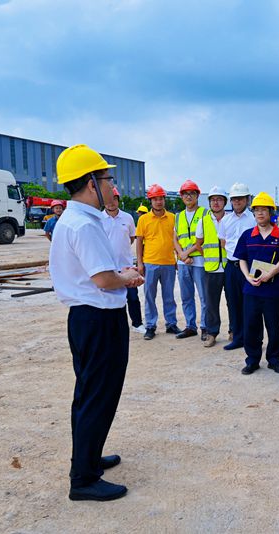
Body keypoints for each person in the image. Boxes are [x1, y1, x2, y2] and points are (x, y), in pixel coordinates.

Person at [49, 144, 144, 501]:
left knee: (89, 393)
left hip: (87, 318)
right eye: (107, 178)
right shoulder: (83, 225)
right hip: (99, 318)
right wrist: (129, 277)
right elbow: (104, 279)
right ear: (91, 183)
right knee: (97, 396)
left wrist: (118, 274)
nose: (111, 185)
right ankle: (84, 478)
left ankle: (88, 456)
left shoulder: (75, 220)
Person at [234, 192, 279, 375]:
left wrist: (270, 274)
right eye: (256, 210)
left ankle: (274, 360)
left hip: (272, 290)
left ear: (270, 212)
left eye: (263, 210)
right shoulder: (247, 235)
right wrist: (247, 277)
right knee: (251, 326)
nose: (260, 213)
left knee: (273, 327)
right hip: (252, 289)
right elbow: (241, 259)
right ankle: (252, 360)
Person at [135, 184, 179, 340]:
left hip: (168, 262)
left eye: (161, 198)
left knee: (169, 296)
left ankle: (171, 324)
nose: (158, 202)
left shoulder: (173, 218)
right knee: (149, 296)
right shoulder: (143, 219)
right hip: (150, 263)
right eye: (155, 199)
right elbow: (139, 242)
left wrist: (177, 259)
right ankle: (150, 326)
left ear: (164, 200)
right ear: (150, 201)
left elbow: (177, 241)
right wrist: (140, 263)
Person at [104, 186, 146, 335]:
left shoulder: (127, 218)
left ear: (118, 200)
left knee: (132, 297)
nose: (111, 203)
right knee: (111, 298)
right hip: (108, 266)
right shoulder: (99, 218)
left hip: (126, 265)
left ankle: (137, 323)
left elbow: (131, 238)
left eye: (114, 199)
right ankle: (113, 326)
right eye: (108, 200)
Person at [220, 182, 255, 351]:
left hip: (249, 267)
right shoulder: (226, 220)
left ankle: (251, 338)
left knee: (250, 303)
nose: (237, 202)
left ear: (247, 199)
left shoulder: (254, 219)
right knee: (233, 302)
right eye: (234, 199)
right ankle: (237, 337)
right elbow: (223, 242)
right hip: (231, 266)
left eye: (240, 199)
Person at [173, 180, 208, 340]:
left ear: (197, 196)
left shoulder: (204, 214)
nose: (188, 196)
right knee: (186, 296)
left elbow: (204, 238)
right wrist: (181, 254)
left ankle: (206, 327)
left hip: (200, 261)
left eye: (192, 193)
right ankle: (190, 326)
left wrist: (186, 253)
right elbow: (175, 238)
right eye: (185, 193)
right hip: (183, 262)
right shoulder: (178, 216)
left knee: (204, 296)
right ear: (181, 197)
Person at [195, 186, 229, 347]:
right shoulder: (203, 221)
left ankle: (234, 331)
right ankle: (212, 333)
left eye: (219, 199)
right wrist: (208, 256)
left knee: (233, 302)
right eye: (213, 199)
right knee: (211, 303)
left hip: (229, 267)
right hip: (211, 268)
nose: (216, 202)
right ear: (209, 202)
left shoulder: (230, 220)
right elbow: (198, 244)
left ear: (225, 202)